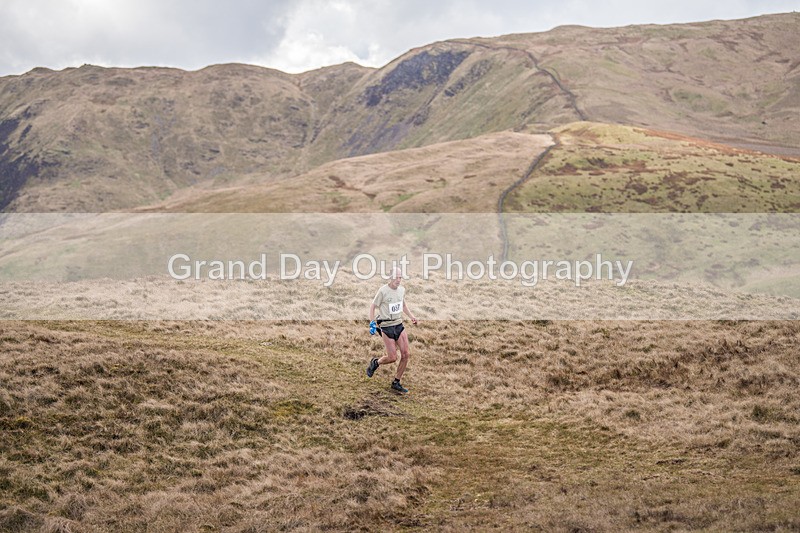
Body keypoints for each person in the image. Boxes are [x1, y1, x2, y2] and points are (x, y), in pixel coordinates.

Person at [366, 267, 418, 393]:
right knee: (392, 357)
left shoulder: (401, 290)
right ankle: (376, 362)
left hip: (398, 324)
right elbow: (373, 307)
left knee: (406, 354)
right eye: (396, 277)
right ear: (390, 277)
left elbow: (403, 305)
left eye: (400, 277)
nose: (398, 280)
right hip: (386, 326)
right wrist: (372, 323)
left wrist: (411, 316)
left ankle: (396, 382)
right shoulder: (383, 291)